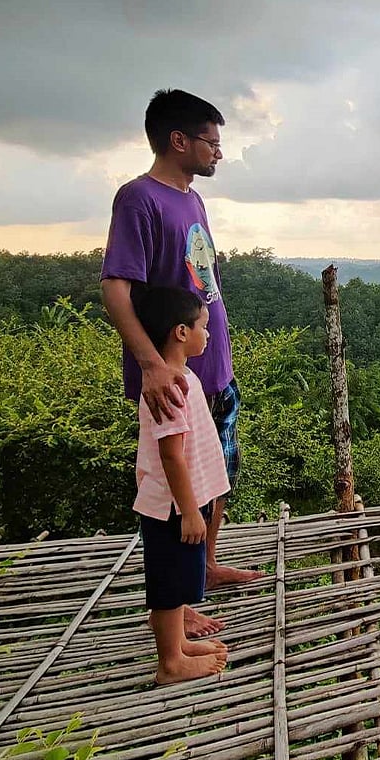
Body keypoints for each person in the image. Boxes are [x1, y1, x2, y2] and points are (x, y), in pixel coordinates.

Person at [101, 89, 260, 639]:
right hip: (171, 374)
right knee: (176, 493)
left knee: (216, 479)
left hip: (212, 368)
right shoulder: (138, 198)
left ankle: (205, 571)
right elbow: (116, 288)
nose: (218, 153)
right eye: (211, 142)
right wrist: (150, 364)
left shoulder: (193, 199)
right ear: (178, 140)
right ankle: (176, 602)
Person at [131, 284, 229, 684]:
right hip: (172, 506)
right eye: (203, 327)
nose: (209, 334)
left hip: (182, 502)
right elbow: (171, 455)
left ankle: (178, 645)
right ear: (180, 332)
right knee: (168, 586)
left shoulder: (180, 377)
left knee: (174, 580)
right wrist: (190, 511)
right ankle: (170, 663)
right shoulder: (169, 387)